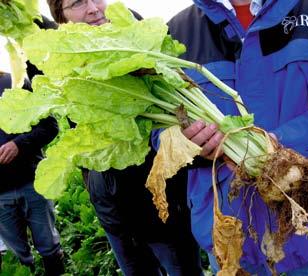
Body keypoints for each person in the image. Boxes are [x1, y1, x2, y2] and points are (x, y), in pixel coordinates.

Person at [152, 0, 308, 275]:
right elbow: (157, 128)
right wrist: (188, 143)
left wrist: (279, 148)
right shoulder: (176, 32)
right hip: (232, 243)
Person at [45, 0, 204, 275]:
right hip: (112, 206)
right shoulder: (63, 64)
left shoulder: (138, 36)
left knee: (182, 267)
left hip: (162, 203)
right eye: (79, 3)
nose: (94, 8)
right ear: (61, 19)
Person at [0, 71, 64, 275]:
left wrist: (19, 144)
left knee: (50, 247)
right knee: (16, 256)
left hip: (32, 182)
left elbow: (49, 126)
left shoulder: (15, 81)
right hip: (0, 195)